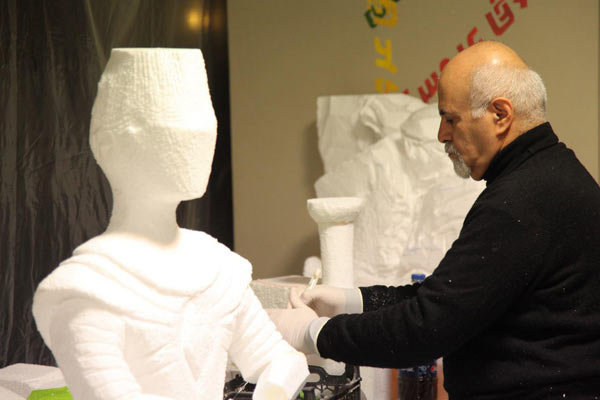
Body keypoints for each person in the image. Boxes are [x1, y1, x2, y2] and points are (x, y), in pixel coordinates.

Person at [268, 41, 600, 399]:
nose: (441, 134)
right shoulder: (550, 175)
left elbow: (426, 328)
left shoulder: (520, 202)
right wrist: (353, 301)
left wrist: (314, 333)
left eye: (451, 119)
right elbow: (451, 298)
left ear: (500, 115)